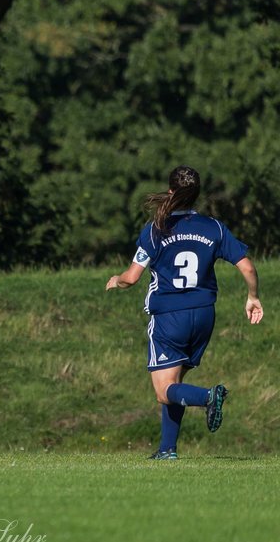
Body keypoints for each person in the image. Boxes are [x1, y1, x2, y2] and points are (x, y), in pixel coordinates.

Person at [105, 165, 263, 459]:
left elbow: (132, 277)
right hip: (203, 316)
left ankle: (207, 397)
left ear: (170, 193)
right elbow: (248, 267)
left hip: (169, 317)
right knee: (174, 382)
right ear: (196, 195)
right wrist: (252, 296)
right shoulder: (214, 227)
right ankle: (167, 450)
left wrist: (117, 280)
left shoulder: (156, 230)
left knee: (164, 390)